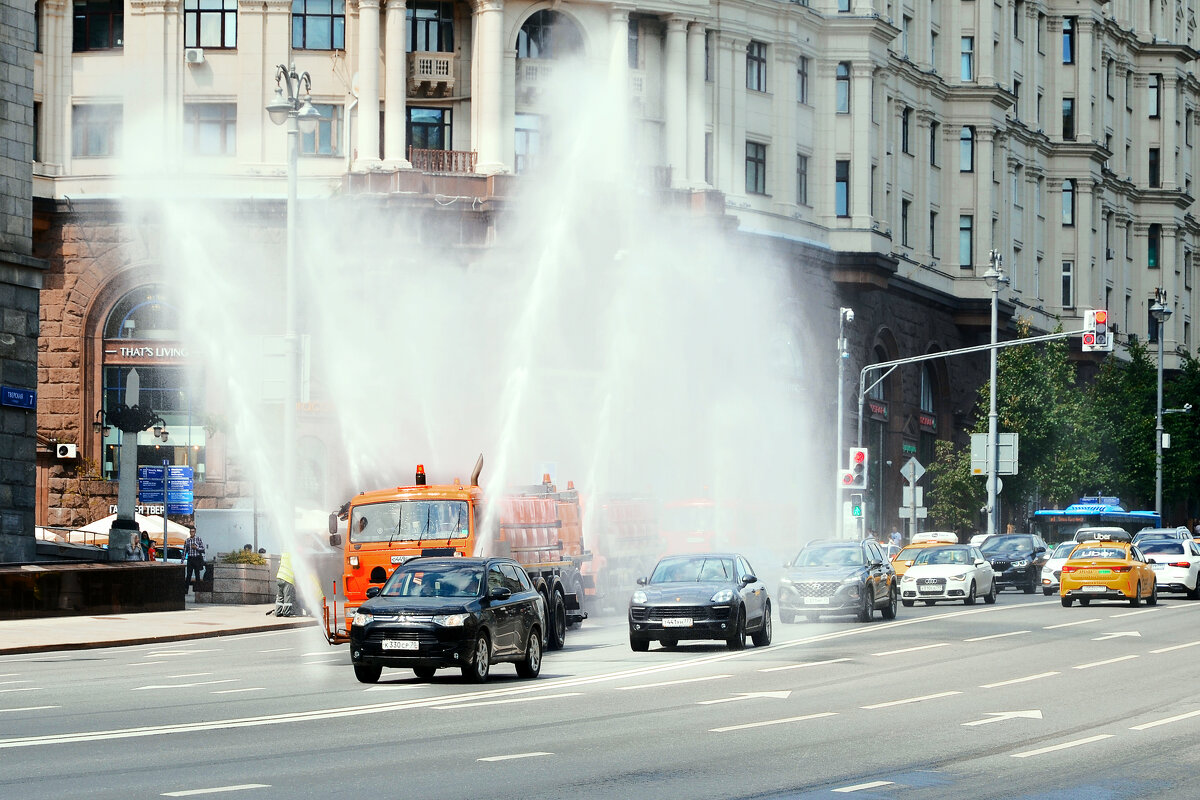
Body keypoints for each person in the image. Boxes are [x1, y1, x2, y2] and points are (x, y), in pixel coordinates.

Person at [183, 527, 206, 592]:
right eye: (191, 531)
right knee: (188, 575)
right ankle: (186, 589)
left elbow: (203, 549)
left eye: (193, 531)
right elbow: (185, 550)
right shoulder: (187, 540)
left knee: (197, 574)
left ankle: (198, 589)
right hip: (190, 558)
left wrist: (197, 548)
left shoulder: (198, 539)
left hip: (197, 558)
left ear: (195, 532)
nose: (192, 533)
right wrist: (182, 559)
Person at [274, 551, 296, 617]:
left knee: (280, 596)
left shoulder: (284, 555)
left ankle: (278, 612)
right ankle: (286, 613)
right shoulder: (293, 556)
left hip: (279, 577)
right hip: (287, 579)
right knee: (287, 596)